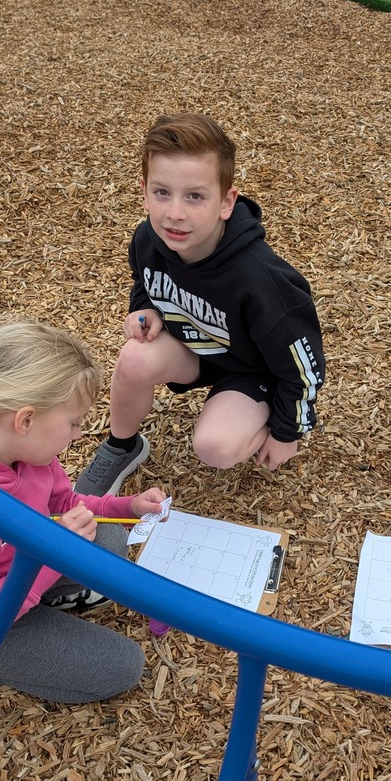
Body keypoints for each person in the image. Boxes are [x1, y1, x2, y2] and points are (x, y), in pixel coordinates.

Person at [0, 314, 170, 704]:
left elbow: (67, 505)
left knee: (108, 539)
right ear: (25, 419)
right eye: (74, 423)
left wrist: (128, 507)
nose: (78, 435)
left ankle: (36, 606)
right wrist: (54, 554)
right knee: (121, 667)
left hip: (13, 565)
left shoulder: (22, 448)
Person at [74, 112, 325, 497]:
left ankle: (257, 417)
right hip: (197, 349)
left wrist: (286, 431)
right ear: (144, 191)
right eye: (162, 193)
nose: (175, 212)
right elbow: (144, 281)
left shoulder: (261, 280)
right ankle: (122, 446)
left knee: (215, 448)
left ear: (226, 202)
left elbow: (304, 365)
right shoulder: (148, 238)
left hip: (253, 371)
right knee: (134, 358)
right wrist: (144, 309)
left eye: (195, 196)